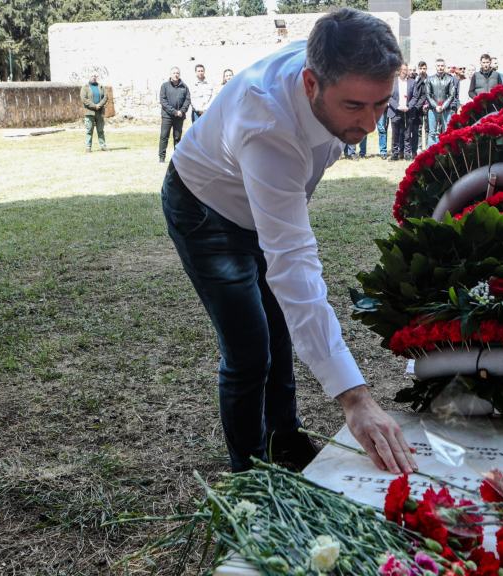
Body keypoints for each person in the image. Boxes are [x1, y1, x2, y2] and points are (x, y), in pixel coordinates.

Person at [162, 8, 417, 476]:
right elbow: (294, 263)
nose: (371, 125)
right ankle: (252, 475)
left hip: (261, 200)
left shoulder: (333, 63)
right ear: (310, 84)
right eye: (354, 107)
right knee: (250, 348)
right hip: (205, 208)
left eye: (381, 104)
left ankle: (286, 440)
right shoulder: (269, 126)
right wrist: (355, 398)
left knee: (280, 326)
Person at [159, 67, 191, 163]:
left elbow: (187, 100)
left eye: (177, 73)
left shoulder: (184, 87)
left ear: (179, 74)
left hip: (179, 116)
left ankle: (177, 158)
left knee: (177, 137)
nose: (176, 74)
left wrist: (182, 111)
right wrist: (174, 111)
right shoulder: (164, 86)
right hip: (167, 116)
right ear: (170, 74)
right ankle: (161, 158)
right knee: (164, 136)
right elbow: (163, 101)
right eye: (174, 73)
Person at [387, 63, 416, 161]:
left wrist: (409, 106)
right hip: (396, 111)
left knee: (407, 134)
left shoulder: (412, 82)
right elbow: (389, 97)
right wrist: (398, 106)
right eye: (402, 69)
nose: (404, 71)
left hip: (408, 111)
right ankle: (395, 153)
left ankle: (407, 153)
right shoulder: (392, 82)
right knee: (395, 134)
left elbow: (415, 97)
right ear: (398, 70)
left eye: (405, 69)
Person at [426, 59, 456, 145]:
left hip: (446, 110)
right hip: (433, 109)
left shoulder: (450, 79)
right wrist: (436, 106)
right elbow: (428, 95)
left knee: (446, 132)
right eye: (438, 66)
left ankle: (445, 153)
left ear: (444, 66)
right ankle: (431, 153)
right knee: (432, 133)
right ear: (435, 67)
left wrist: (443, 106)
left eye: (442, 66)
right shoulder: (430, 79)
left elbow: (451, 95)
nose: (440, 67)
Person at [80, 71, 108, 153]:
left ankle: (103, 146)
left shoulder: (101, 87)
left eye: (95, 76)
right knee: (89, 130)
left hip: (99, 112)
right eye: (92, 76)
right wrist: (94, 106)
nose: (93, 77)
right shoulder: (85, 88)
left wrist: (100, 105)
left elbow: (106, 97)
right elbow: (84, 99)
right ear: (89, 77)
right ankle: (88, 147)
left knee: (100, 130)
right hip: (90, 112)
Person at [411, 61, 428, 154]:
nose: (422, 70)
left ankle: (425, 147)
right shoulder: (416, 80)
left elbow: (425, 94)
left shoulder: (427, 79)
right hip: (415, 108)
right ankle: (416, 148)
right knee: (416, 129)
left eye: (424, 68)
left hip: (424, 108)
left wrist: (424, 105)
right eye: (420, 68)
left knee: (426, 129)